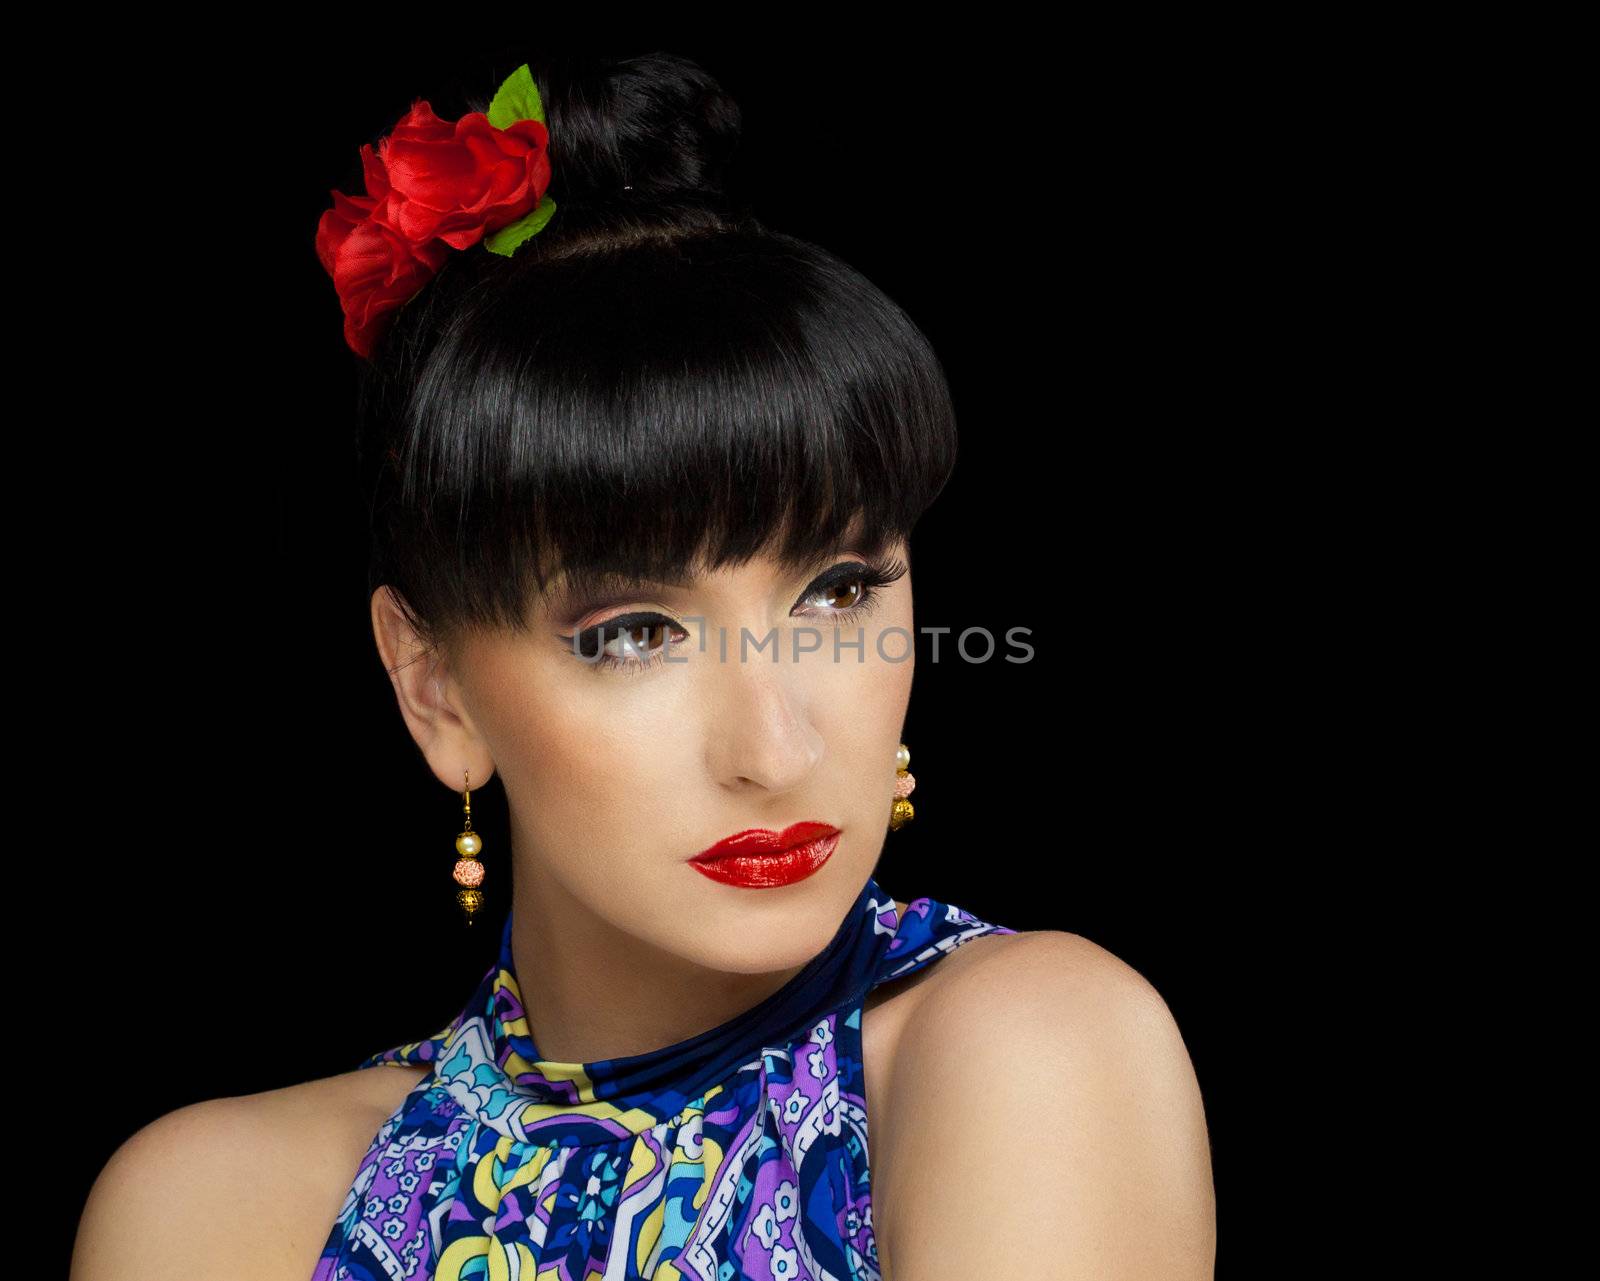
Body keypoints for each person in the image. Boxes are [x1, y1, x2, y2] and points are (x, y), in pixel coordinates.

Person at [70, 51, 1215, 1281]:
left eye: (835, 592)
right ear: (434, 689)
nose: (775, 749)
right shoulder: (210, 1210)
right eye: (632, 634)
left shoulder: (1021, 1048)